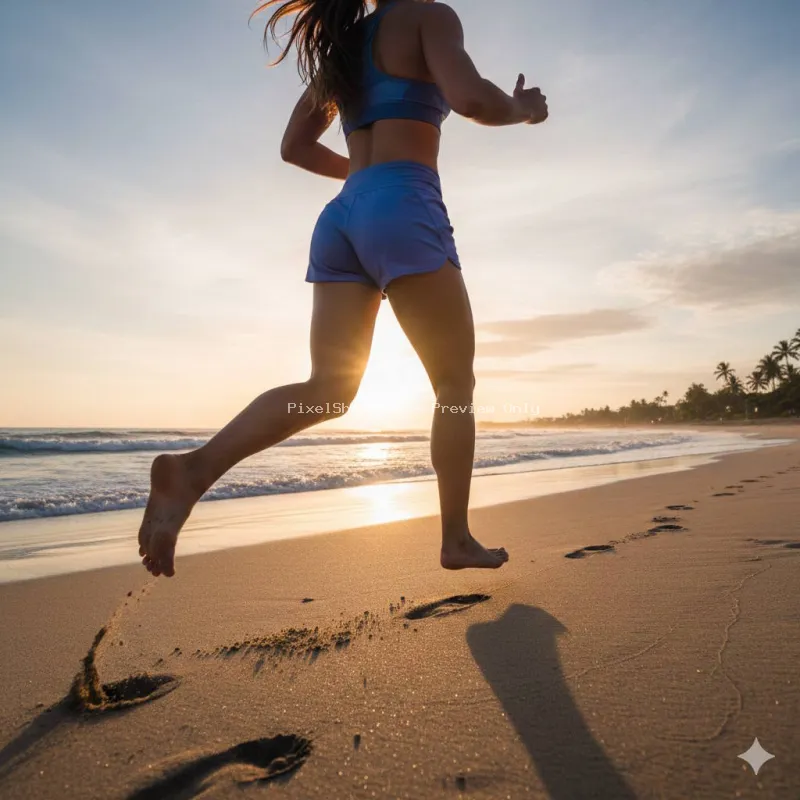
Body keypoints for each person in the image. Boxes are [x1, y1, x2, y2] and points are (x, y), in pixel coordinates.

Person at [138, 0, 549, 578]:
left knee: (328, 389)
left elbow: (294, 146)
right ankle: (455, 538)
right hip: (403, 202)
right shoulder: (430, 16)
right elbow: (473, 99)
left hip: (341, 218)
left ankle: (195, 470)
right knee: (454, 384)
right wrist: (524, 109)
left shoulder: (344, 44)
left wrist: (361, 178)